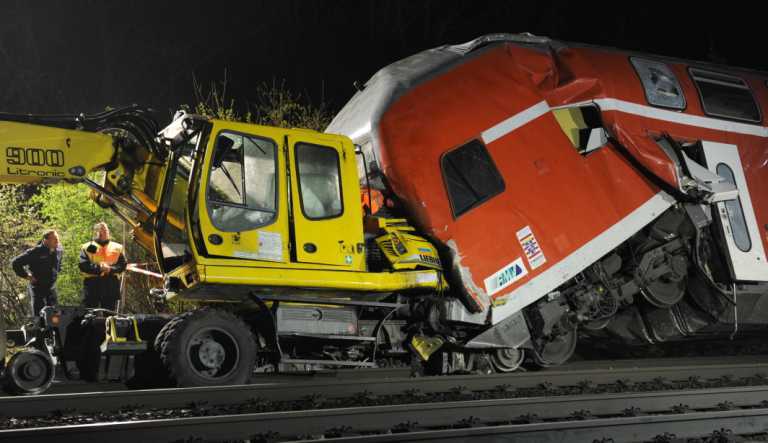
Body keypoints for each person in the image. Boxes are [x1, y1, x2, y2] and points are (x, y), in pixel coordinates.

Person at [10, 230, 63, 316]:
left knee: (55, 315)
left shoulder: (59, 250)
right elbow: (15, 263)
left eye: (57, 238)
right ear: (46, 240)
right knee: (39, 315)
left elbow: (59, 264)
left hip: (51, 287)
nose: (57, 241)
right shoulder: (35, 252)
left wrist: (57, 271)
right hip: (38, 287)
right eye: (55, 239)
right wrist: (27, 276)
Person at [79, 222, 126, 311]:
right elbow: (83, 265)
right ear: (95, 232)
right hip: (92, 285)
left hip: (110, 285)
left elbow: (122, 265)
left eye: (105, 230)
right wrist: (99, 268)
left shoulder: (117, 247)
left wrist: (110, 269)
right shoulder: (87, 247)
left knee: (110, 315)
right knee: (90, 314)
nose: (103, 232)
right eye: (100, 230)